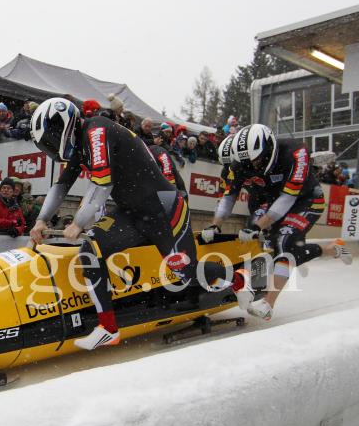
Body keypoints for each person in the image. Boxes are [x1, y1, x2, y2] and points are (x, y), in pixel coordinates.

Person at [27, 97, 254, 350]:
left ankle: (238, 279)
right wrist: (41, 220)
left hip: (166, 209)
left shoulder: (97, 129)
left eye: (51, 140)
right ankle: (108, 328)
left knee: (186, 273)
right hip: (132, 212)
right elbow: (60, 186)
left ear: (63, 126)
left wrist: (78, 223)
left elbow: (103, 183)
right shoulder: (81, 144)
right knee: (90, 251)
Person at [200, 124, 352, 321]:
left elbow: (289, 198)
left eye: (256, 160)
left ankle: (268, 304)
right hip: (273, 201)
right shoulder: (238, 165)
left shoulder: (296, 152)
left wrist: (257, 226)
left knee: (285, 242)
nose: (253, 166)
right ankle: (335, 249)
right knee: (278, 249)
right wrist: (215, 224)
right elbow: (228, 197)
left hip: (305, 199)